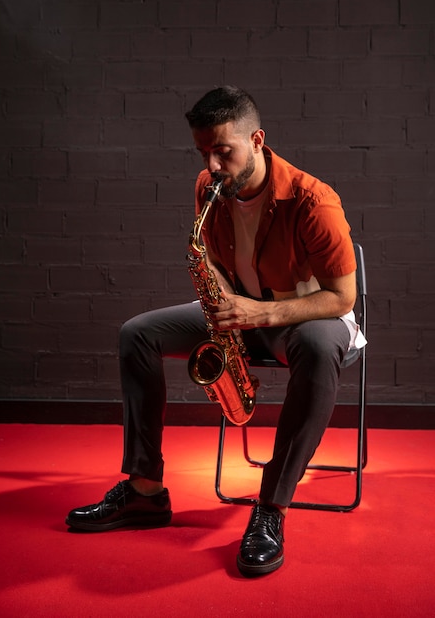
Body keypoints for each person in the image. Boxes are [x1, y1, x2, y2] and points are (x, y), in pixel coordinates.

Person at [66, 86, 365, 577]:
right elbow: (213, 260)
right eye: (204, 151)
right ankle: (144, 491)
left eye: (224, 150)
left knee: (317, 342)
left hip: (304, 319)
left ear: (258, 139)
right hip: (240, 316)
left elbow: (342, 298)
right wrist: (223, 300)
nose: (213, 163)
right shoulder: (210, 186)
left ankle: (271, 510)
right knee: (136, 334)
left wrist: (257, 314)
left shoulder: (314, 200)